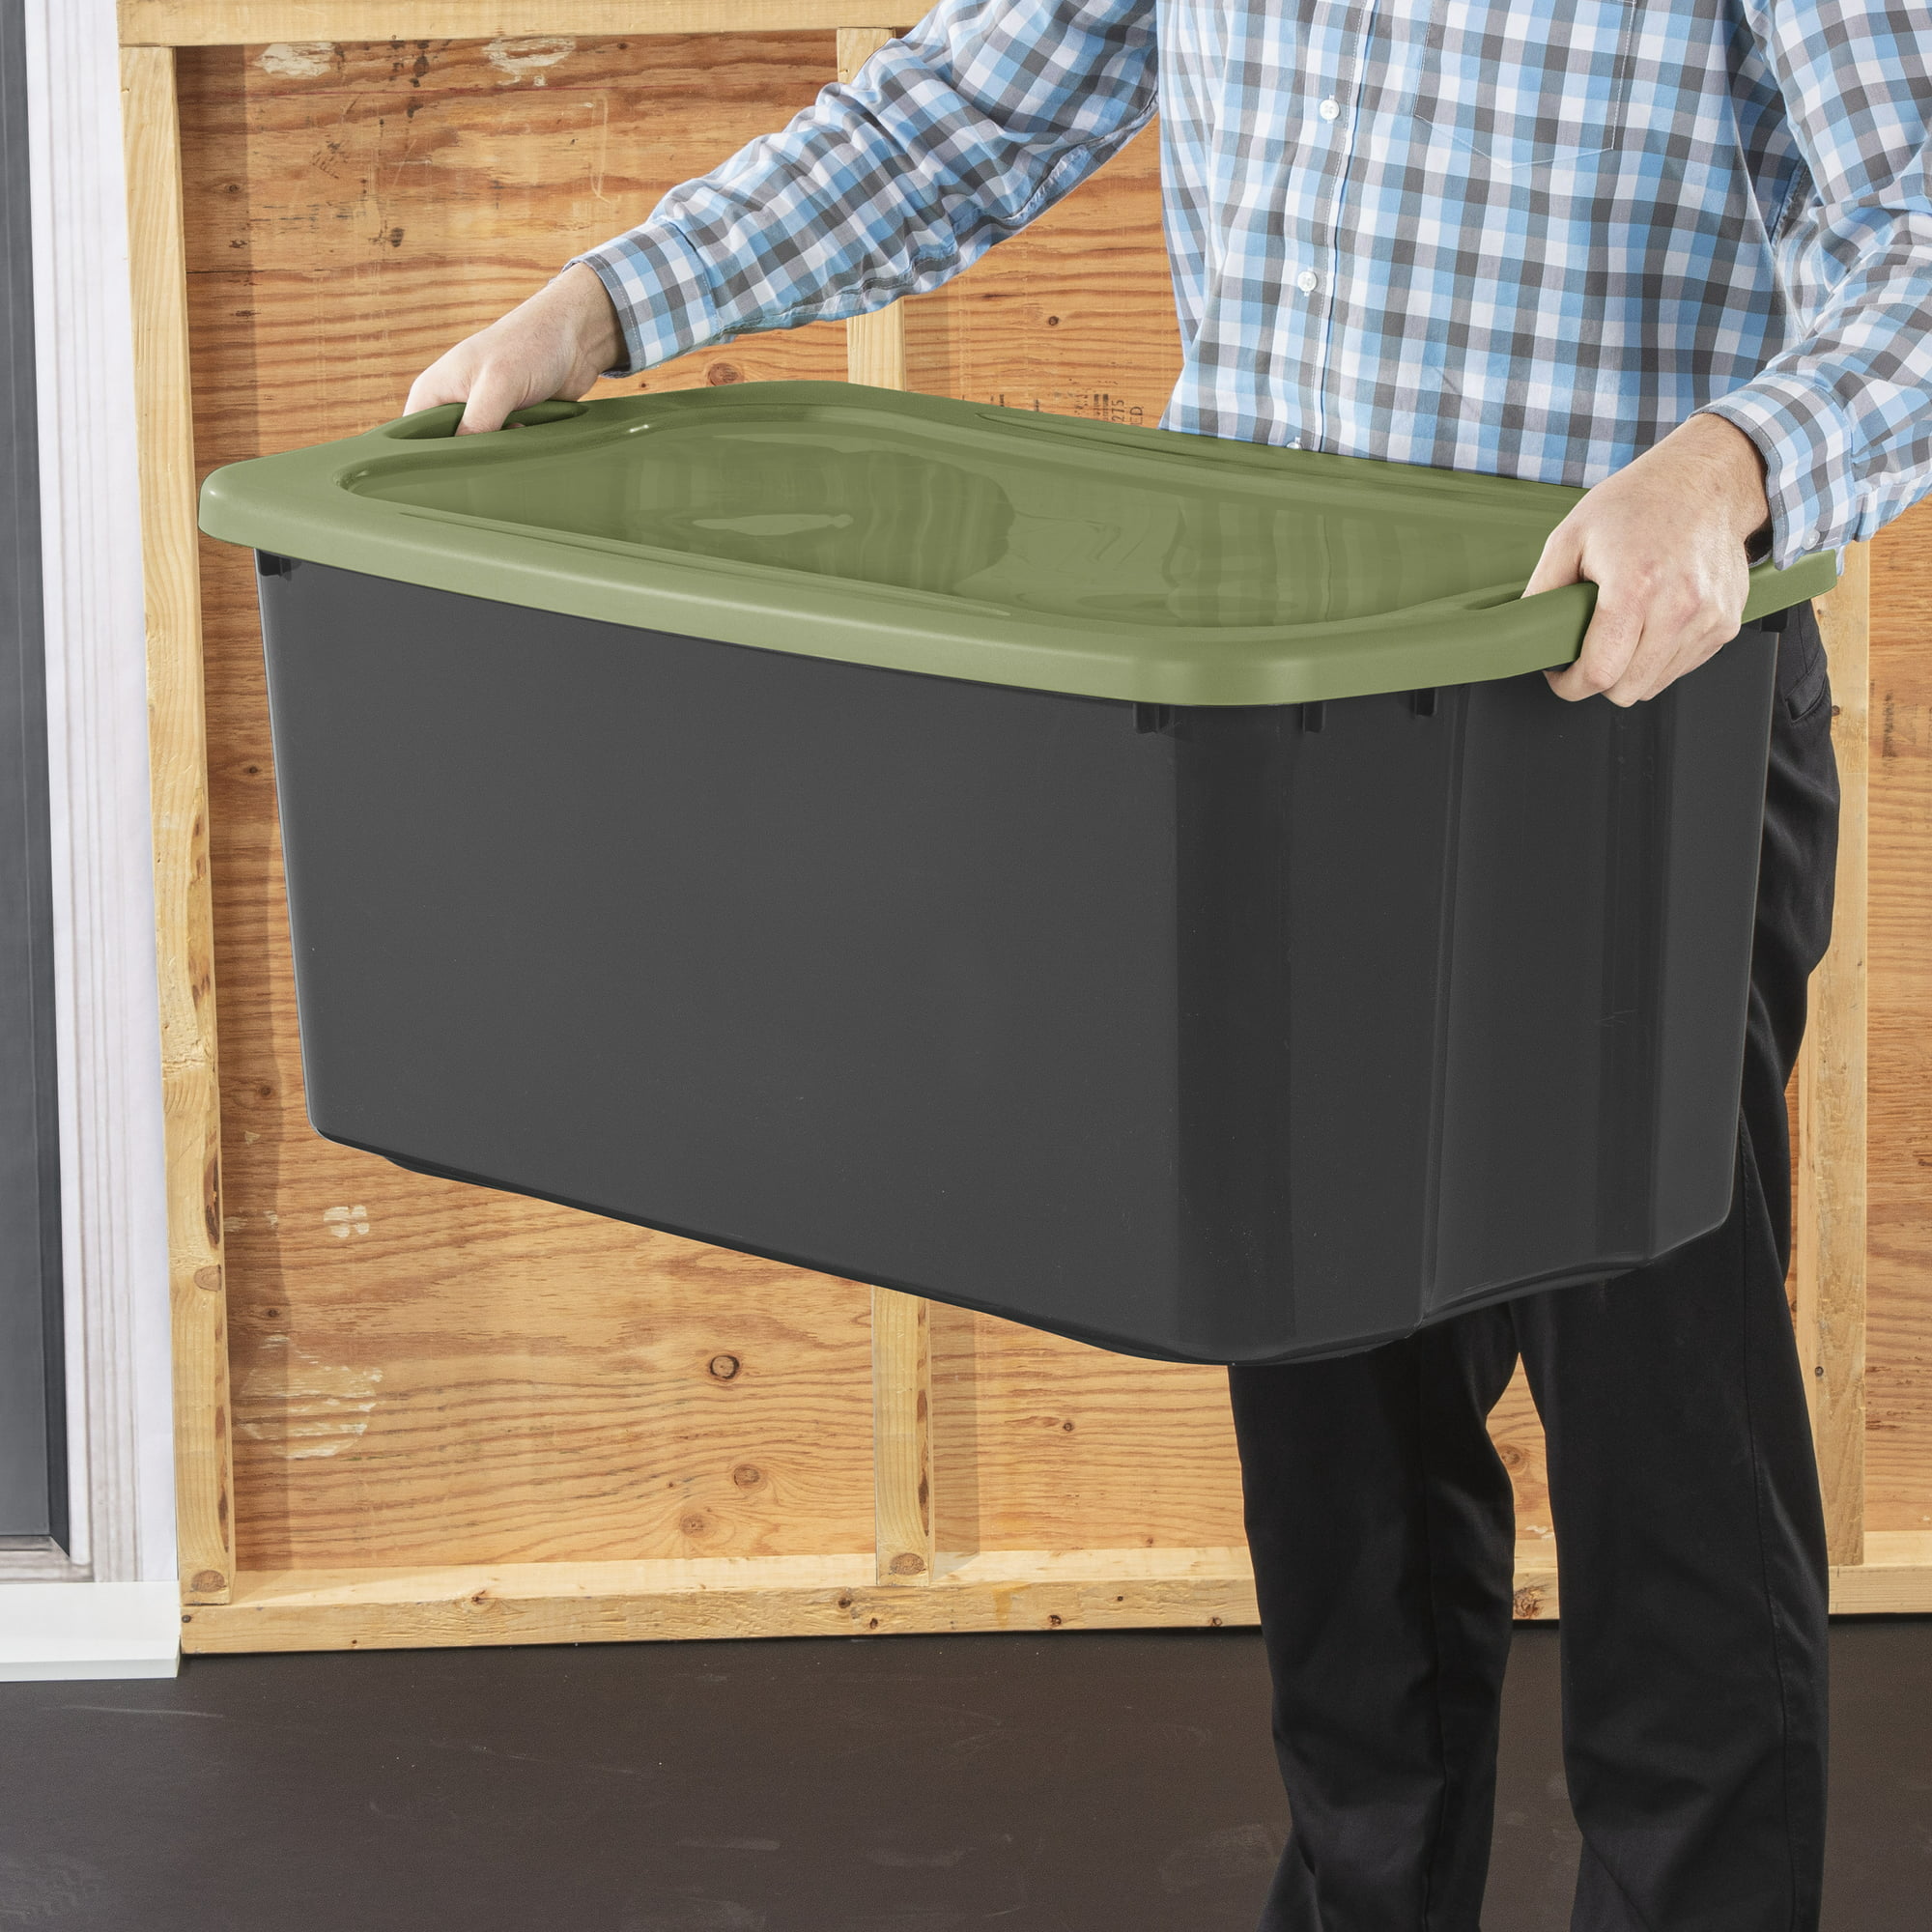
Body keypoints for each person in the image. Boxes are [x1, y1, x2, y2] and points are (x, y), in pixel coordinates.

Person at [408, 5, 1932, 1924]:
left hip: (1611, 733)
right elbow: (969, 107)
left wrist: (1734, 462)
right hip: (1279, 732)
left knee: (1662, 1447)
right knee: (1335, 1455)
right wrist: (613, 301)